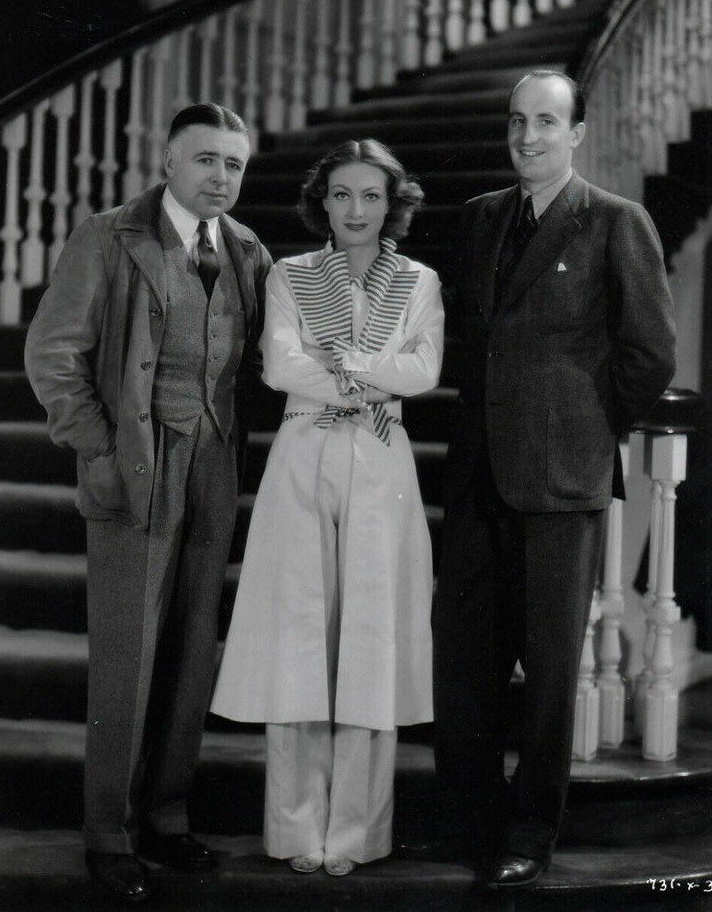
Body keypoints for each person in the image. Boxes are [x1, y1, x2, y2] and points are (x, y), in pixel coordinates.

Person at [433, 71, 676, 888]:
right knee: (463, 663)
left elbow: (648, 356)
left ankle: (528, 832)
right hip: (475, 475)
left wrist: (581, 425)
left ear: (576, 133)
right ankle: (466, 820)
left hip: (561, 479)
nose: (527, 136)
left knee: (546, 672)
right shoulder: (477, 219)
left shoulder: (614, 221)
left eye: (545, 121)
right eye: (516, 121)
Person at [25, 103, 272, 903]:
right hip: (135, 460)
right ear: (166, 159)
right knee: (127, 655)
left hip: (213, 463)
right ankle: (109, 831)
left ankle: (166, 815)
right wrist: (99, 446)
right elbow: (53, 354)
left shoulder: (246, 250)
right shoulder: (109, 236)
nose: (220, 178)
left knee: (193, 646)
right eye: (205, 160)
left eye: (233, 164)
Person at [211, 139, 443, 876]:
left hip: (380, 464)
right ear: (322, 201)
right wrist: (372, 373)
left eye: (370, 196)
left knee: (368, 644)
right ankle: (293, 830)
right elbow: (280, 364)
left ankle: (357, 835)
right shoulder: (290, 274)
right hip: (302, 455)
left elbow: (422, 369)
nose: (355, 210)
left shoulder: (419, 281)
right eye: (341, 194)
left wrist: (341, 364)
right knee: (299, 643)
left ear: (391, 203)